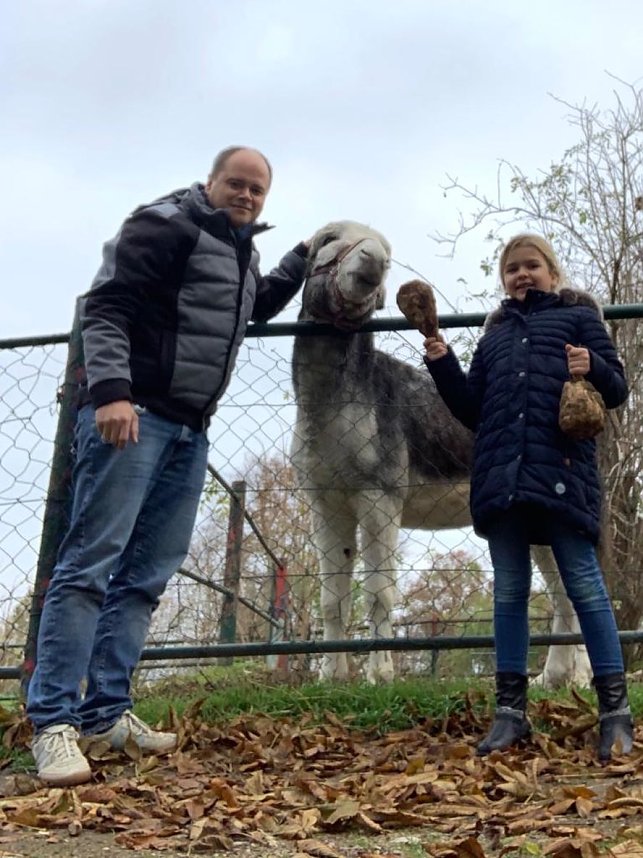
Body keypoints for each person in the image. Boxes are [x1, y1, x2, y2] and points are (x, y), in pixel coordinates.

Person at [27, 146, 309, 785]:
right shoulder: (163, 225)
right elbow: (107, 306)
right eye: (236, 184)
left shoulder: (241, 249)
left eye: (257, 190)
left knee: (146, 576)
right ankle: (53, 724)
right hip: (135, 417)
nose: (246, 195)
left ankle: (106, 713)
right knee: (89, 566)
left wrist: (300, 259)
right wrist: (112, 392)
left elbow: (247, 308)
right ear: (210, 182)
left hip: (190, 430)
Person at [421, 233, 632, 762]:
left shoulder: (579, 319)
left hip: (562, 467)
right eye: (512, 268)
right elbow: (473, 409)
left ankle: (615, 714)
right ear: (504, 279)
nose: (522, 274)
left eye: (531, 265)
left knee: (585, 584)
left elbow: (619, 388)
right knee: (510, 590)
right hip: (501, 476)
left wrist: (593, 367)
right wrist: (442, 360)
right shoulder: (491, 338)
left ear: (552, 272)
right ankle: (510, 715)